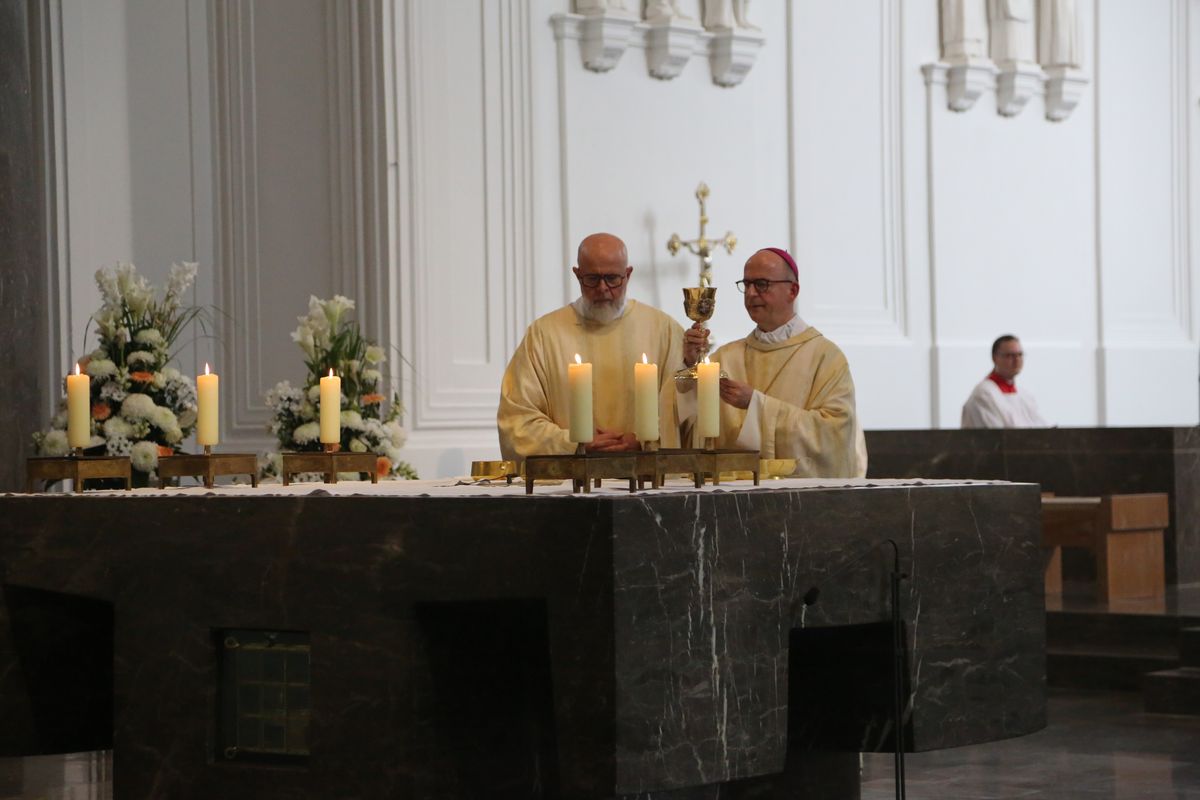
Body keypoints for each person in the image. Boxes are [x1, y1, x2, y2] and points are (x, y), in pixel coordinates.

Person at [498, 233, 684, 464]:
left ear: (628, 275)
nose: (603, 288)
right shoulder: (543, 335)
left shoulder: (663, 330)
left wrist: (645, 439)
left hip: (645, 475)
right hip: (571, 483)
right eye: (592, 279)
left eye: (612, 278)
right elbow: (517, 420)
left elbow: (681, 411)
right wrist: (574, 442)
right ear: (577, 275)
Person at [681, 247, 866, 478]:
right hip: (732, 499)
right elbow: (686, 422)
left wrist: (756, 404)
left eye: (761, 284)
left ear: (793, 290)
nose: (750, 293)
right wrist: (690, 365)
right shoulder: (726, 357)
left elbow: (834, 434)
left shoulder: (826, 357)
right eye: (746, 284)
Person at [961, 334, 1048, 428]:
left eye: (1020, 354)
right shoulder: (984, 394)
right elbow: (995, 436)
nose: (1017, 360)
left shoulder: (1025, 395)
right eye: (1010, 355)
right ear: (995, 358)